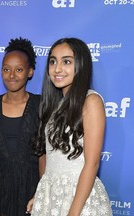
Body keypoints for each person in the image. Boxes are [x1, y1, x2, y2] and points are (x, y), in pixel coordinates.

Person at [27, 38, 112, 216]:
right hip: (51, 197)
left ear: (81, 65)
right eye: (53, 61)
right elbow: (50, 159)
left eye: (66, 61)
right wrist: (41, 195)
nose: (57, 69)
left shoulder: (91, 101)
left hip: (79, 198)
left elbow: (92, 163)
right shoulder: (54, 106)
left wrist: (73, 213)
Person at [0, 37, 46, 216]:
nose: (12, 75)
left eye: (19, 69)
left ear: (30, 72)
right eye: (6, 69)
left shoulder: (41, 106)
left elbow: (43, 155)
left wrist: (43, 190)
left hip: (30, 186)